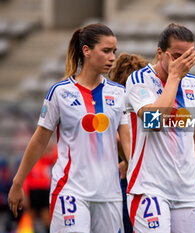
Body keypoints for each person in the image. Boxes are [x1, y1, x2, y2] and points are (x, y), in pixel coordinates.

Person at [8, 23, 130, 233]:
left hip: (109, 194)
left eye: (114, 52)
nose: (112, 57)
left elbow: (127, 141)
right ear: (87, 51)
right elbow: (39, 140)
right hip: (71, 191)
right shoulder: (60, 92)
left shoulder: (119, 93)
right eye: (106, 51)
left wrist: (133, 167)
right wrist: (18, 183)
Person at [124, 23, 195, 233]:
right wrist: (174, 78)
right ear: (160, 53)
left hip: (187, 192)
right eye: (177, 56)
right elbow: (153, 122)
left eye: (189, 57)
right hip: (149, 188)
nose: (183, 63)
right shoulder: (139, 80)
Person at [108, 52, 149, 233]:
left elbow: (116, 138)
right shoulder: (146, 99)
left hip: (123, 178)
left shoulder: (115, 99)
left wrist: (126, 159)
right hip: (144, 177)